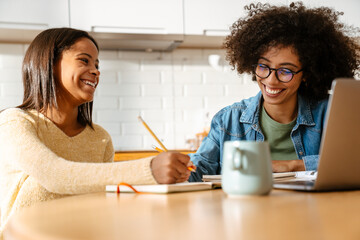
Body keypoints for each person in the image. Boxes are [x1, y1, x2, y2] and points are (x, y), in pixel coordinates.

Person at [0, 28, 191, 234]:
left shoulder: (99, 138)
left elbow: (101, 202)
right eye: (84, 60)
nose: (95, 70)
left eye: (97, 64)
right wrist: (149, 170)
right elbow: (54, 175)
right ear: (49, 64)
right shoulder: (14, 122)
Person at [189, 1, 360, 182]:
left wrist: (293, 165)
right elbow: (197, 172)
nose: (271, 80)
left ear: (307, 74)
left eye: (285, 71)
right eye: (263, 66)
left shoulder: (332, 113)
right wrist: (171, 169)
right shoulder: (228, 120)